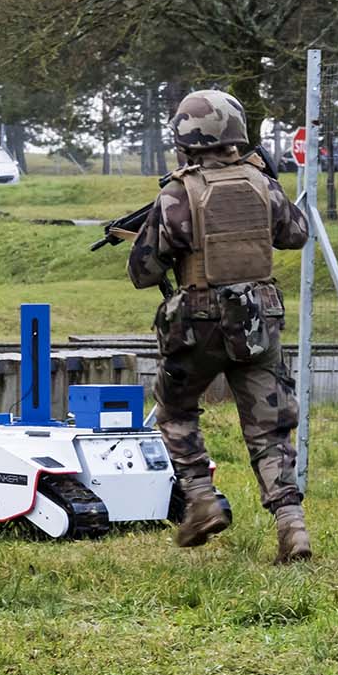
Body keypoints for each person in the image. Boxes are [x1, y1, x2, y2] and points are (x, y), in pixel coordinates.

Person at [127, 89, 312, 562]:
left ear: (185, 137)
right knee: (270, 429)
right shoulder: (262, 183)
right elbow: (295, 234)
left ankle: (202, 499)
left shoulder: (176, 192)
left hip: (199, 324)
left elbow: (144, 272)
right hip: (258, 322)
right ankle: (292, 527)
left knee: (176, 411)